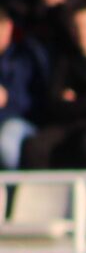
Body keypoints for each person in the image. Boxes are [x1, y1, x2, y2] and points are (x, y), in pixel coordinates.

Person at [22, 3, 86, 171]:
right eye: (77, 27)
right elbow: (53, 104)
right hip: (67, 124)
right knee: (35, 146)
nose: (83, 32)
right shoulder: (65, 60)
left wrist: (74, 101)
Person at [0, 10, 48, 171]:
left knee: (6, 143)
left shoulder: (26, 56)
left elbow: (35, 102)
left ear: (8, 27)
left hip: (21, 121)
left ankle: (13, 185)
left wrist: (8, 98)